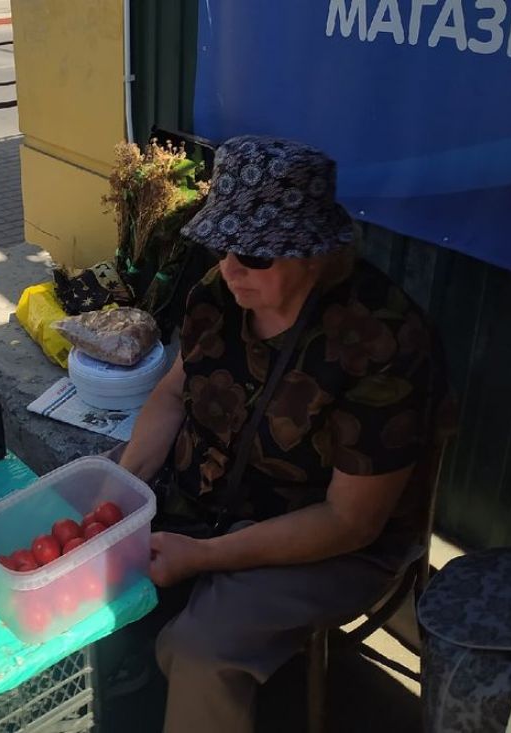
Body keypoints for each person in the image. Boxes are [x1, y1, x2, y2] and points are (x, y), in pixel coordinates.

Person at [115, 135, 455, 732]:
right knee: (80, 541)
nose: (230, 267)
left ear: (314, 254)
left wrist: (204, 556)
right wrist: (122, 491)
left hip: (321, 538)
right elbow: (173, 391)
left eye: (255, 254)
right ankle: (115, 681)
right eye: (224, 245)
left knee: (198, 650)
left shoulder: (383, 342)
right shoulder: (220, 292)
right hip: (202, 496)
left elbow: (350, 522)